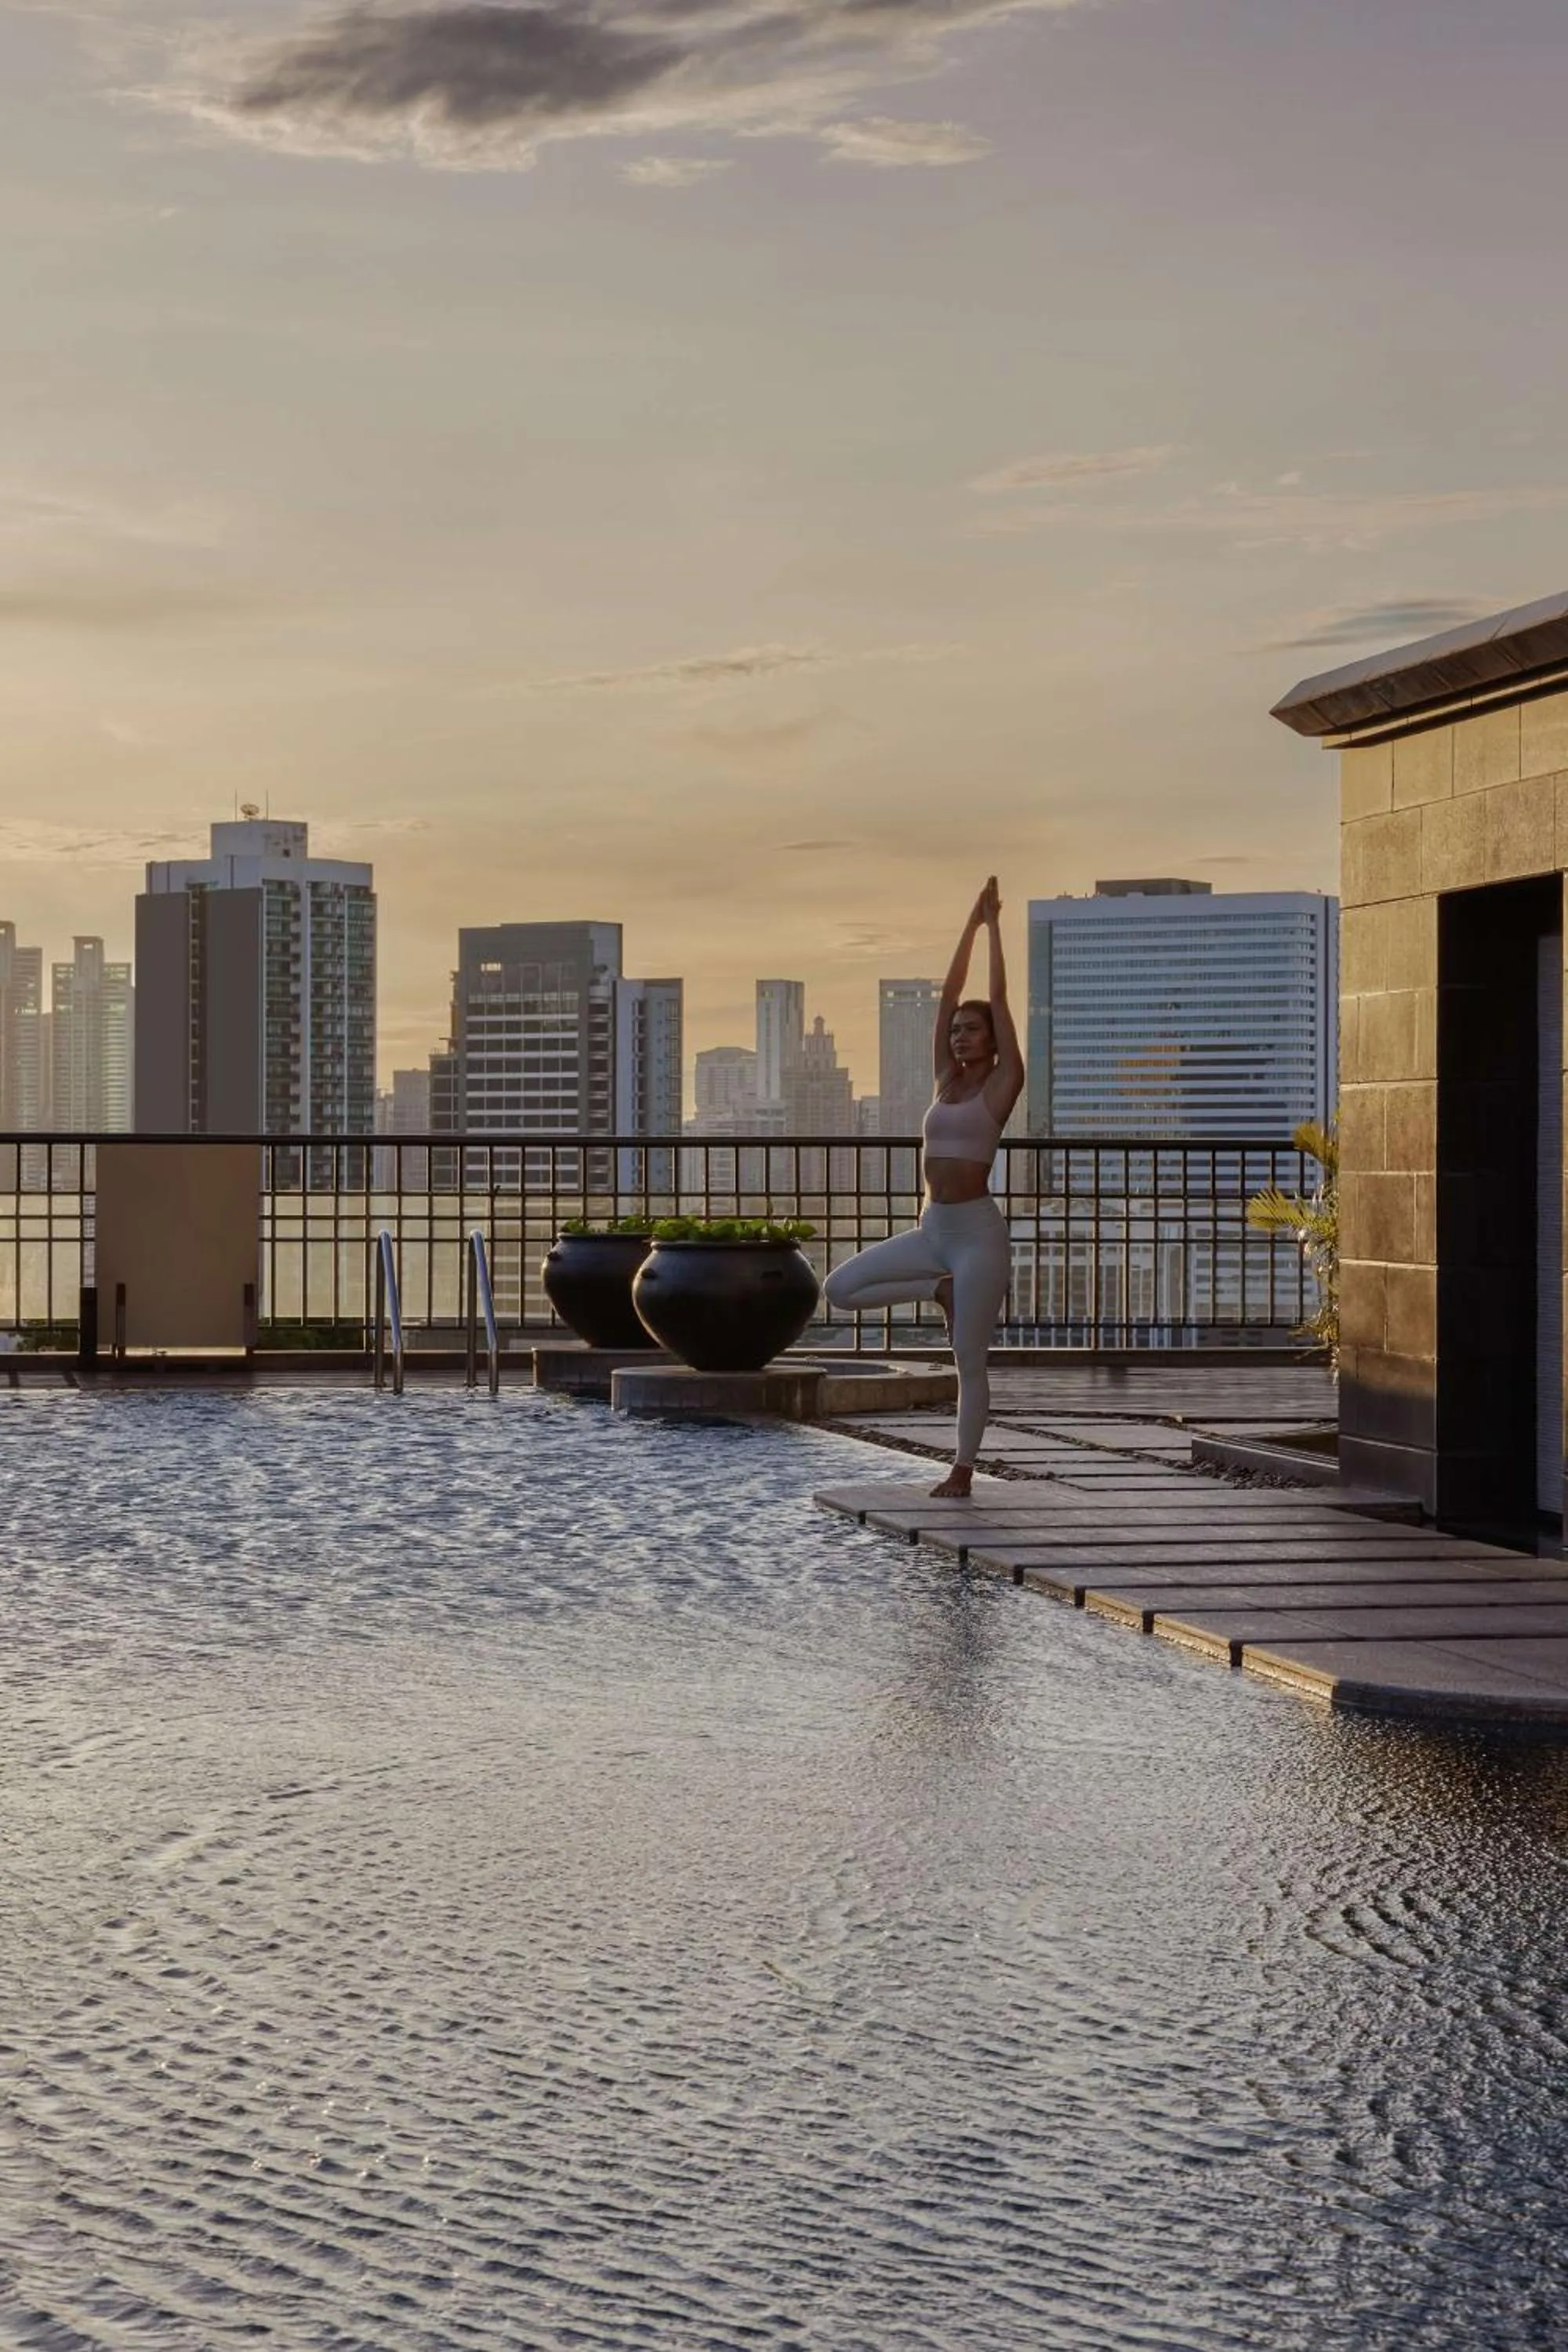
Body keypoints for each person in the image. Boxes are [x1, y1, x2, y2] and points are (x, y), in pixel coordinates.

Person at [824, 877, 1025, 1497]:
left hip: (977, 1238)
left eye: (972, 1030)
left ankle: (963, 1469)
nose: (960, 1035)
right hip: (933, 1230)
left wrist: (994, 931)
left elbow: (998, 993)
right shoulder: (945, 1080)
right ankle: (937, 1290)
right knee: (839, 1290)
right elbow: (947, 998)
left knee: (969, 1360)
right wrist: (968, 922)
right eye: (957, 1030)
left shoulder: (1004, 1081)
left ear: (993, 1041)